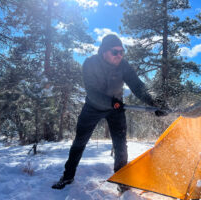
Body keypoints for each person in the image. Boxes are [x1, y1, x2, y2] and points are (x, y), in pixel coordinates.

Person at [52, 34, 166, 191]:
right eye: (115, 52)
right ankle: (67, 176)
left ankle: (122, 181)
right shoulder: (90, 63)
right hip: (93, 107)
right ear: (104, 51)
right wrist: (111, 103)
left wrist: (154, 102)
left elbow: (137, 85)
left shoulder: (123, 65)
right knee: (79, 142)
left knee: (120, 146)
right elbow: (91, 92)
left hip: (116, 109)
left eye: (122, 52)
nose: (119, 55)